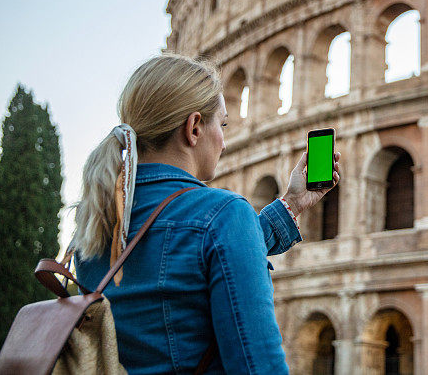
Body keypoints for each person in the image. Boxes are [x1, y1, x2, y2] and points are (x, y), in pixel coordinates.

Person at [72, 53, 340, 374]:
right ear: (195, 127)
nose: (224, 143)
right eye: (223, 124)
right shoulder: (224, 215)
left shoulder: (97, 223)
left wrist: (291, 204)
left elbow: (198, 254)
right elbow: (258, 365)